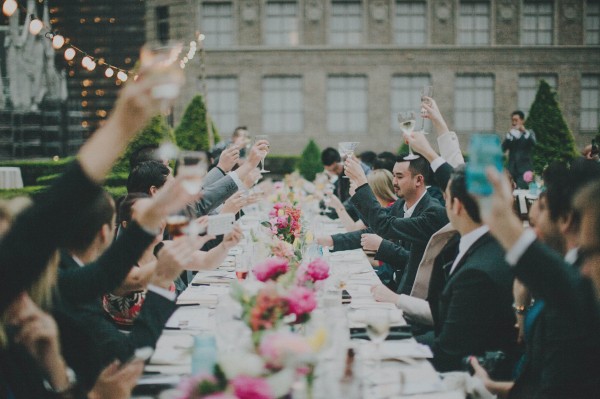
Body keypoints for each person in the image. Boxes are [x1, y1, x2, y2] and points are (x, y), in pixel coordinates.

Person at [471, 160, 600, 398]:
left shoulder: (577, 294)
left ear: (566, 219)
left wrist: (501, 218)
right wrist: (494, 388)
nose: (585, 267)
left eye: (590, 251)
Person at [502, 110, 536, 189]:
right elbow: (502, 149)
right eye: (512, 120)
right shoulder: (510, 135)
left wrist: (524, 131)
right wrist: (508, 137)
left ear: (522, 121)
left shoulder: (529, 133)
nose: (514, 123)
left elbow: (534, 143)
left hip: (524, 170)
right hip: (511, 170)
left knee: (522, 193)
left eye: (516, 120)